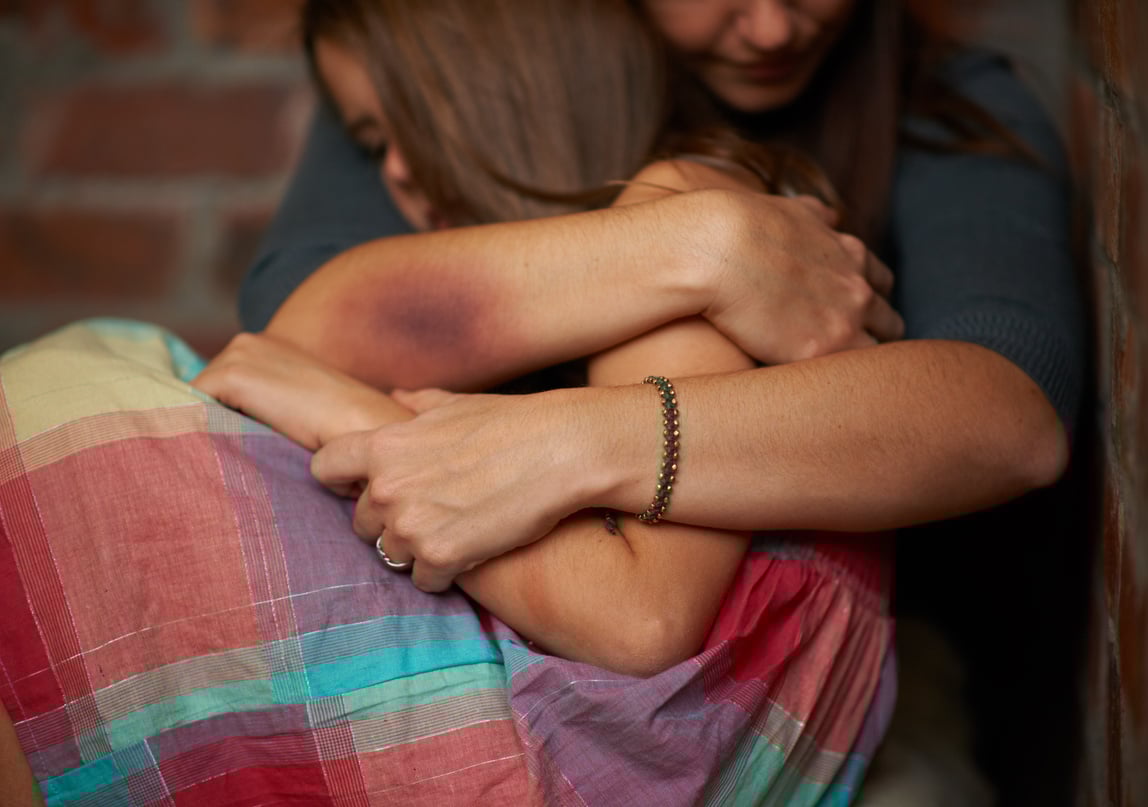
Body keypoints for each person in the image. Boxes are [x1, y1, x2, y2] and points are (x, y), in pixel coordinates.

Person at [237, 0, 1082, 595]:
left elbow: (1010, 416)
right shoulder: (472, 68)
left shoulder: (954, 109)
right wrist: (705, 246)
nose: (771, 27)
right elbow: (300, 321)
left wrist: (574, 441)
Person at [196, 0, 879, 679]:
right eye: (376, 143)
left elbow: (643, 618)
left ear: (518, 79)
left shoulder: (680, 199)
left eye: (414, 120)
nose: (394, 173)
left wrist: (354, 422)